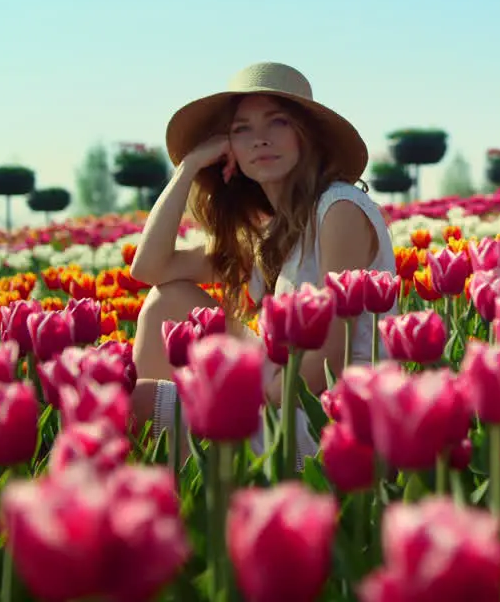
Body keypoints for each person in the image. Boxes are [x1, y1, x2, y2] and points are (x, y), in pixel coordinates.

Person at [127, 62, 397, 458]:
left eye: (278, 122)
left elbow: (331, 354)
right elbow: (149, 269)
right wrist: (187, 169)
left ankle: (181, 469)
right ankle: (184, 467)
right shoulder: (275, 234)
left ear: (307, 134)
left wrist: (247, 399)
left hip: (334, 412)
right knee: (166, 300)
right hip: (284, 384)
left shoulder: (339, 208)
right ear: (228, 148)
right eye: (242, 129)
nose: (260, 140)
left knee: (135, 405)